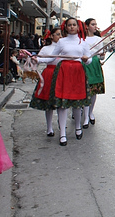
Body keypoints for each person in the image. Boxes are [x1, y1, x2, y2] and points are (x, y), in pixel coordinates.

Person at [37, 18, 92, 146]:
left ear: (78, 28)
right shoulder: (61, 42)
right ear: (66, 28)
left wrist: (85, 60)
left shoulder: (83, 43)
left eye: (74, 25)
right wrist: (38, 60)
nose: (72, 27)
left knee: (77, 103)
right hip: (63, 72)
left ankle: (78, 127)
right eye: (69, 25)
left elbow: (88, 60)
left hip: (78, 72)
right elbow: (52, 58)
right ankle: (62, 133)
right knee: (62, 103)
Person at [29, 28, 62, 137]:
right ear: (51, 36)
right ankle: (49, 127)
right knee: (49, 102)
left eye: (61, 34)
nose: (60, 36)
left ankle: (61, 125)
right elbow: (38, 60)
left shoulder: (65, 48)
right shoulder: (45, 49)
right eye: (57, 34)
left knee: (61, 101)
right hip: (49, 74)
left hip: (62, 73)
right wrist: (33, 60)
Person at [82, 18, 105, 129]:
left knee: (94, 91)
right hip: (85, 65)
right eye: (93, 24)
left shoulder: (98, 39)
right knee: (85, 90)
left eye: (96, 24)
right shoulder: (82, 39)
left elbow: (101, 56)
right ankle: (85, 115)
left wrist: (102, 55)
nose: (95, 26)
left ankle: (91, 112)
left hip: (95, 64)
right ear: (86, 26)